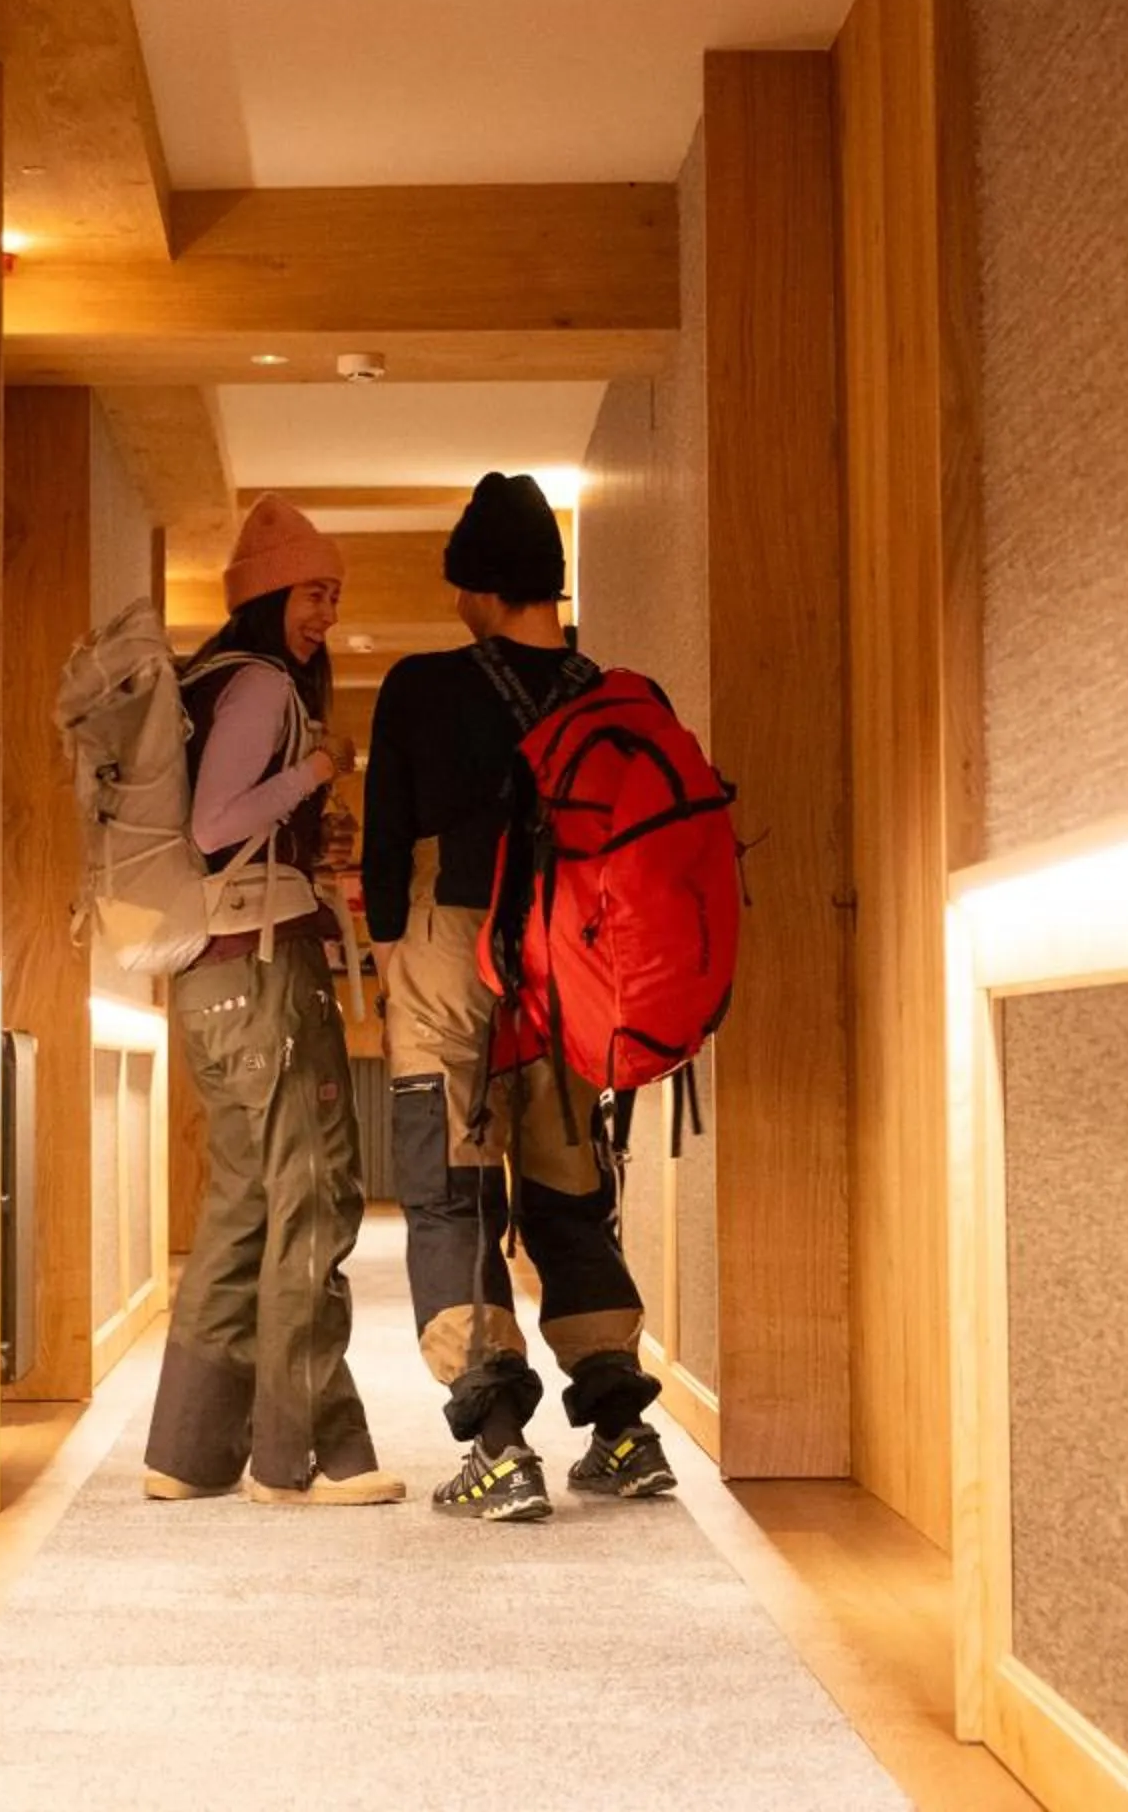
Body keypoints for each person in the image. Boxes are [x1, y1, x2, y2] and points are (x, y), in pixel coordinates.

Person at [362, 471, 671, 1523]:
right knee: (569, 1183)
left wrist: (391, 970)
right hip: (572, 956)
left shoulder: (420, 685)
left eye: (462, 586)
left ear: (484, 589)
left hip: (452, 943)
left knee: (453, 1183)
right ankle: (623, 1427)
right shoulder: (615, 692)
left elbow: (382, 853)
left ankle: (498, 1444)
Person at [142, 494, 404, 1507]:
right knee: (318, 1189)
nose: (325, 612)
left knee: (245, 1197)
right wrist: (316, 770)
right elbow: (218, 821)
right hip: (262, 972)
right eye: (310, 591)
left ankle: (187, 1448)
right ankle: (305, 1454)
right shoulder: (257, 687)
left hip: (212, 972)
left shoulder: (210, 682)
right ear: (261, 597)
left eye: (333, 592)